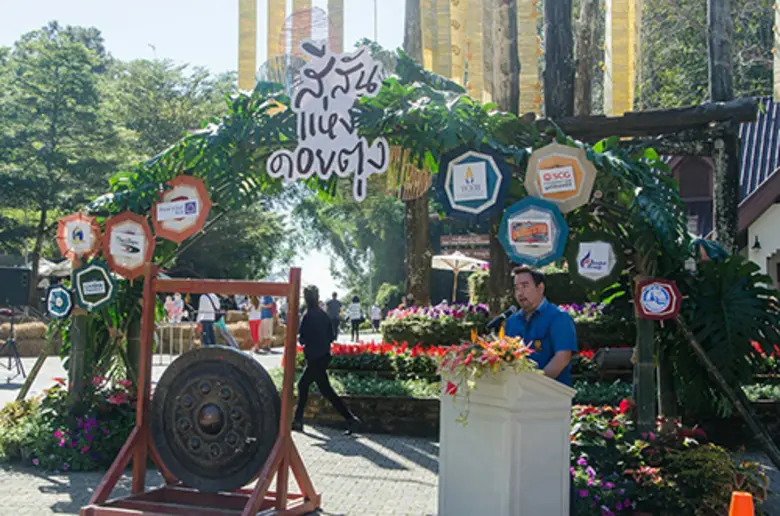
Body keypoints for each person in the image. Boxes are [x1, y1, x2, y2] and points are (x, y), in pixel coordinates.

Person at [293, 285, 360, 435]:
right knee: (324, 390)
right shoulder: (324, 316)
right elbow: (331, 336)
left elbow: (302, 339)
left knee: (304, 385)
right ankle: (351, 420)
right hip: (324, 356)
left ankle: (298, 420)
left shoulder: (307, 316)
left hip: (314, 358)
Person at [503, 267, 578, 386]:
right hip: (516, 391)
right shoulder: (512, 321)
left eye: (525, 286)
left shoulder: (558, 317)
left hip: (550, 392)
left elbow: (562, 358)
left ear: (540, 288)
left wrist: (535, 385)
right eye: (516, 288)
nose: (520, 293)